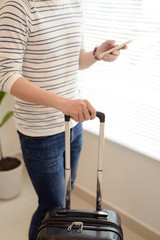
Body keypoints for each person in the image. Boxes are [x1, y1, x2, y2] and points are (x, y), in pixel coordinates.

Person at [0, 0, 127, 239]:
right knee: (52, 207)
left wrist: (97, 54)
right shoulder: (17, 6)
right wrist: (64, 104)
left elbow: (74, 60)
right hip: (39, 132)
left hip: (73, 126)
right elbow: (6, 76)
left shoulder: (75, 3)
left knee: (67, 194)